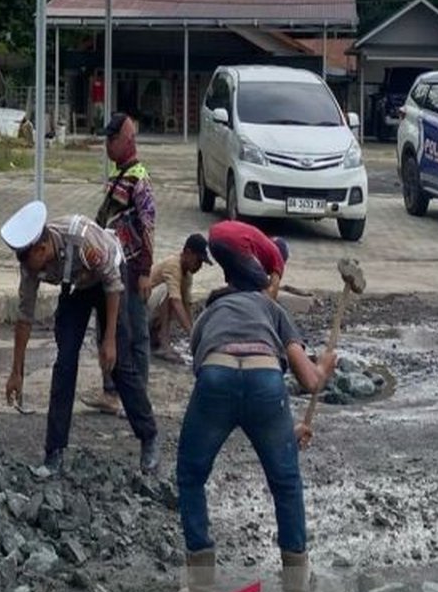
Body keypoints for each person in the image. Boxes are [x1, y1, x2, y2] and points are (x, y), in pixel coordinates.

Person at [176, 264, 335, 592]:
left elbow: (205, 368)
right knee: (287, 483)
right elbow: (310, 381)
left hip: (215, 378)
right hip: (266, 384)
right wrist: (324, 366)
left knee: (191, 476)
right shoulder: (272, 309)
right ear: (260, 288)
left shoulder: (209, 312)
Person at [2, 201, 159, 475]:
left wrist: (108, 340)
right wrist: (17, 371)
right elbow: (24, 316)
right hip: (76, 285)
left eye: (30, 262)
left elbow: (112, 283)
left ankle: (149, 438)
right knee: (64, 364)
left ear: (42, 249)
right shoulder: (30, 263)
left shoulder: (83, 240)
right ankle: (54, 450)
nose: (29, 271)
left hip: (109, 280)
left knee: (118, 363)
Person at [83, 113, 156, 416]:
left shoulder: (138, 177)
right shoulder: (119, 175)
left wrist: (145, 271)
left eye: (112, 140)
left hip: (131, 268)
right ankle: (110, 391)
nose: (107, 146)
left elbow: (148, 226)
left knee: (135, 333)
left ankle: (137, 397)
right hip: (111, 268)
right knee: (107, 330)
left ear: (127, 141)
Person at [147, 233, 213, 363]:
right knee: (169, 293)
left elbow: (186, 305)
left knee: (178, 300)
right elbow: (176, 302)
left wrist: (194, 335)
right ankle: (164, 344)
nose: (199, 266)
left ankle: (157, 335)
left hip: (151, 312)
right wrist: (191, 333)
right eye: (198, 260)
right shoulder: (173, 265)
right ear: (188, 253)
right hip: (140, 309)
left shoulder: (187, 274)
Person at [206, 219, 289, 299]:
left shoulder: (263, 244)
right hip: (235, 242)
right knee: (263, 285)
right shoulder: (277, 255)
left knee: (237, 281)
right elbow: (272, 292)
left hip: (214, 237)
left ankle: (216, 298)